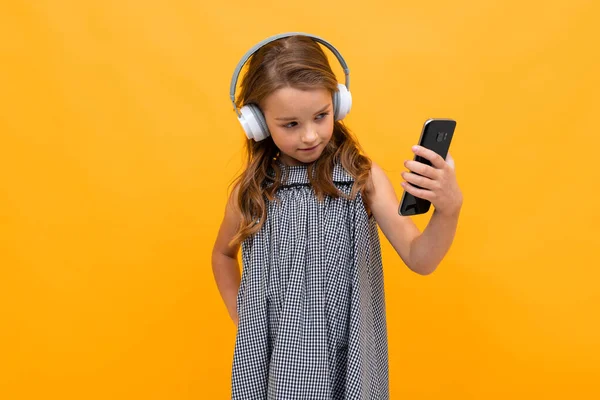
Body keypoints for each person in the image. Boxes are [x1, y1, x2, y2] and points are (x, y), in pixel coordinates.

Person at [212, 32, 463, 400]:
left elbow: (420, 258)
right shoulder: (252, 192)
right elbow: (221, 254)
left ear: (337, 104)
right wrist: (244, 316)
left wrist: (448, 209)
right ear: (259, 124)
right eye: (290, 124)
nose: (310, 135)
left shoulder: (364, 178)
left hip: (350, 355)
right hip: (275, 363)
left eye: (321, 115)